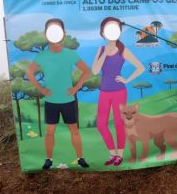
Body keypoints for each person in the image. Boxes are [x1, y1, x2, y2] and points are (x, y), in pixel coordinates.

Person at [26, 18, 91, 170]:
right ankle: (48, 159)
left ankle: (80, 158)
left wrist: (76, 88)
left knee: (74, 131)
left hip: (68, 100)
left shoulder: (70, 54)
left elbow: (87, 71)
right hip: (51, 101)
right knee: (50, 132)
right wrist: (41, 89)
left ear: (63, 34)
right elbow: (29, 72)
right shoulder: (42, 55)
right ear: (46, 34)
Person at [92, 17, 145, 166]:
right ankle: (112, 154)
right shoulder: (100, 50)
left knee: (118, 123)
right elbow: (95, 71)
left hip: (119, 92)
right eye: (107, 29)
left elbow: (140, 67)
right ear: (102, 32)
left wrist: (127, 79)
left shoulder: (123, 50)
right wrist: (105, 52)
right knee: (101, 124)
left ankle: (119, 155)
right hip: (104, 92)